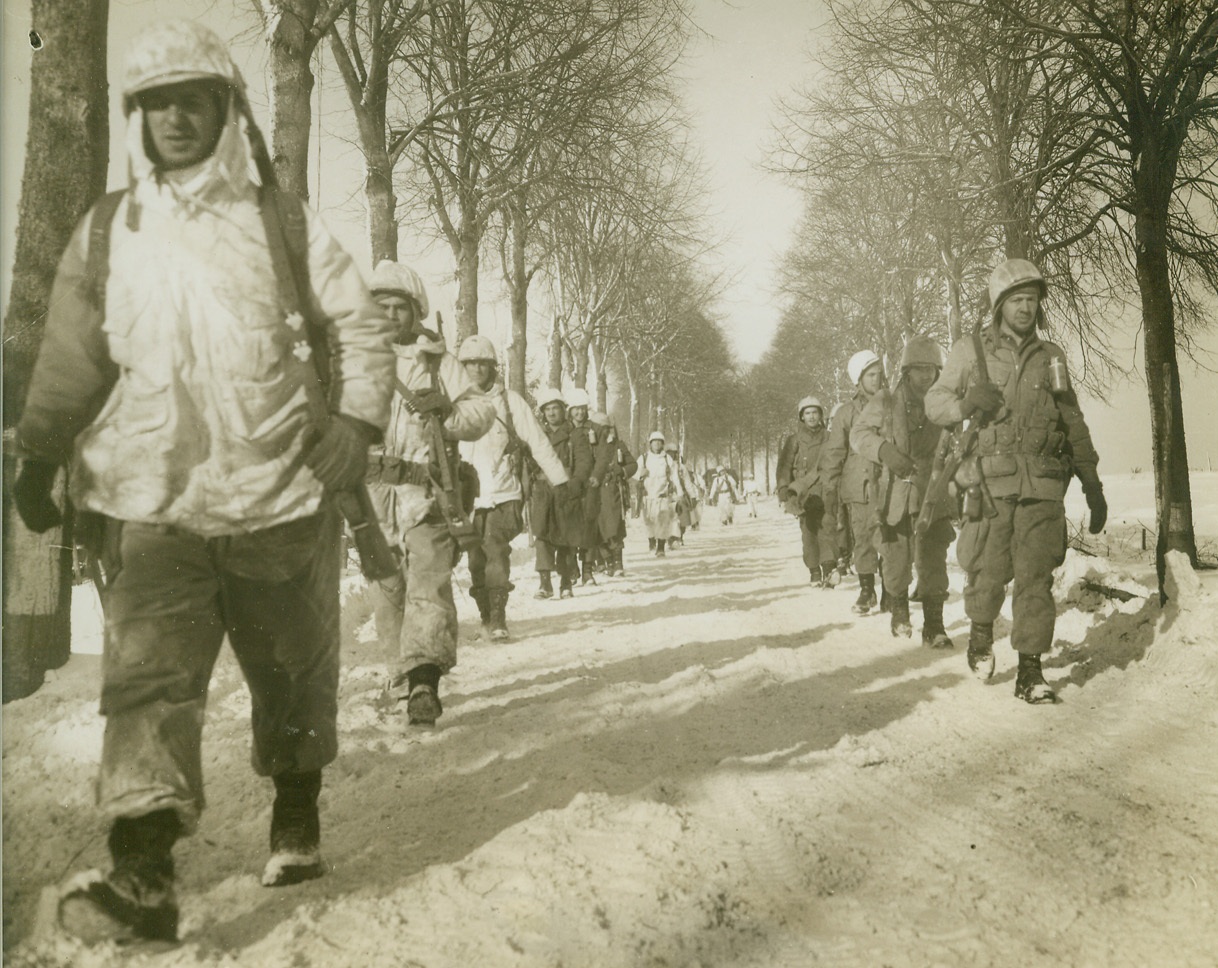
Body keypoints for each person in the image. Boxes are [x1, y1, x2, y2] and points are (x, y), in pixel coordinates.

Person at [10, 20, 397, 943]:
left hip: (281, 501)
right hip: (155, 508)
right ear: (136, 116)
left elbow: (361, 329)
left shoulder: (283, 222)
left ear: (228, 110)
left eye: (196, 100)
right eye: (157, 103)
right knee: (147, 683)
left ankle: (295, 807)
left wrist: (353, 425)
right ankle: (143, 871)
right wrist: (37, 450)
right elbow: (70, 355)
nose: (176, 118)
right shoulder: (108, 231)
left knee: (293, 674)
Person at [925, 259, 1106, 704]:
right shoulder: (972, 352)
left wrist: (1091, 480)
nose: (1026, 308)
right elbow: (935, 401)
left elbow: (1071, 419)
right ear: (1000, 305)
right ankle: (981, 632)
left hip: (1043, 484)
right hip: (990, 484)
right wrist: (967, 403)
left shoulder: (1052, 357)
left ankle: (1030, 670)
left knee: (1035, 576)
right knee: (988, 569)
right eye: (1017, 300)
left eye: (1032, 300)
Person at [365, 261, 495, 726]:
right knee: (387, 590)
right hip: (373, 494)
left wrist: (447, 409)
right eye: (383, 307)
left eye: (402, 307)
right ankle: (399, 675)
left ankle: (424, 680)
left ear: (416, 312)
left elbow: (481, 412)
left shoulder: (439, 362)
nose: (392, 315)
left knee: (429, 584)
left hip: (428, 492)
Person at [457, 335, 568, 639]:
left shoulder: (510, 402)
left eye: (482, 363)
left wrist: (559, 479)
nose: (476, 369)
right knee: (475, 560)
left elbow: (537, 440)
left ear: (492, 367)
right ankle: (484, 614)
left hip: (504, 493)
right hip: (468, 498)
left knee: (495, 554)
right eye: (470, 363)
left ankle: (497, 619)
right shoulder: (454, 404)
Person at [851, 337, 955, 644]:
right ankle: (899, 613)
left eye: (931, 369)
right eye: (918, 369)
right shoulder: (885, 400)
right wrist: (884, 450)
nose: (925, 376)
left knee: (934, 557)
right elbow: (858, 435)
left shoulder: (944, 401)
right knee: (896, 557)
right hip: (895, 494)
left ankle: (934, 626)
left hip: (933, 492)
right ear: (906, 371)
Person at [822, 350, 886, 614]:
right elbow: (835, 453)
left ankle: (893, 592)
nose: (877, 379)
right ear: (858, 379)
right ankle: (867, 590)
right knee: (864, 538)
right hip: (858, 486)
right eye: (871, 375)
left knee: (891, 538)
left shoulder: (892, 405)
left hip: (888, 481)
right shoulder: (846, 413)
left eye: (879, 374)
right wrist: (830, 487)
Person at [531, 388, 593, 597]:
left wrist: (575, 485)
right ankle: (545, 582)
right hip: (542, 491)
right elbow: (530, 461)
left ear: (563, 410)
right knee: (542, 535)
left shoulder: (574, 435)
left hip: (565, 491)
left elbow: (584, 463)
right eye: (547, 409)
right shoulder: (537, 435)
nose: (551, 413)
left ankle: (566, 581)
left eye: (555, 408)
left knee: (566, 538)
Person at [776, 396, 840, 588]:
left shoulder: (830, 438)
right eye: (807, 413)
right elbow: (784, 467)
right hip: (803, 493)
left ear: (821, 415)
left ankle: (828, 568)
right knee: (809, 531)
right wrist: (784, 490)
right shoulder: (794, 441)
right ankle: (814, 569)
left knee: (827, 527)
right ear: (801, 417)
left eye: (815, 413)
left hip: (826, 488)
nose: (812, 417)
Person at [589, 411, 637, 576]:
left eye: (604, 428)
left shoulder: (617, 445)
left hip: (612, 491)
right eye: (597, 428)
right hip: (593, 491)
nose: (600, 432)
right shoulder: (588, 446)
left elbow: (632, 465)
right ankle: (607, 561)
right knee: (597, 528)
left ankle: (617, 563)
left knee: (613, 526)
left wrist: (619, 470)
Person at [566, 388, 602, 583]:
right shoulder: (565, 429)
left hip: (589, 484)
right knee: (569, 526)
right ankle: (572, 568)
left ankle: (588, 570)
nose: (579, 413)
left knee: (588, 525)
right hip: (568, 484)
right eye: (575, 409)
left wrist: (596, 475)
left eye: (582, 409)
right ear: (570, 411)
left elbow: (603, 453)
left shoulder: (594, 428)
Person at [636, 431, 684, 556]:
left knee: (663, 521)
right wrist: (640, 473)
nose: (657, 444)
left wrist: (680, 492)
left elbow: (674, 476)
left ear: (662, 444)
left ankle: (661, 548)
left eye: (659, 442)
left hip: (662, 496)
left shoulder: (667, 459)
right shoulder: (644, 458)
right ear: (650, 444)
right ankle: (651, 541)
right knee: (649, 522)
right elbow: (634, 472)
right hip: (647, 496)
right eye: (654, 442)